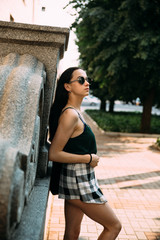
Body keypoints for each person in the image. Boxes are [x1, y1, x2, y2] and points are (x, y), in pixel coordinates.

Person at [48, 67, 122, 240]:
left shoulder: (75, 113)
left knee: (72, 233)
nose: (87, 83)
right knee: (114, 226)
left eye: (87, 79)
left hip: (79, 179)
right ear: (67, 86)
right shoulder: (70, 115)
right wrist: (88, 158)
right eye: (81, 80)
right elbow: (54, 153)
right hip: (77, 181)